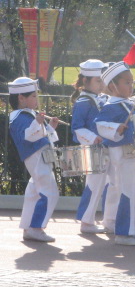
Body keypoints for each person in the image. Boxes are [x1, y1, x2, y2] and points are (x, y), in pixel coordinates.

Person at [95, 61, 135, 246]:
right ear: (113, 86)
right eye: (127, 83)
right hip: (121, 153)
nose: (131, 86)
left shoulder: (130, 104)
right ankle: (122, 232)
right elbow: (99, 125)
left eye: (132, 82)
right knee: (127, 190)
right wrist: (116, 128)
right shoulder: (110, 107)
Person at [8, 77, 60, 242]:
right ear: (21, 98)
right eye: (33, 96)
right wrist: (38, 123)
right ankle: (36, 228)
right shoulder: (20, 117)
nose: (36, 100)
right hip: (36, 157)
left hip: (38, 156)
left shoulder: (25, 115)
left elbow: (39, 134)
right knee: (49, 192)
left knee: (34, 193)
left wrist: (49, 126)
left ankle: (29, 228)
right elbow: (28, 137)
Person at [71, 59, 111, 234]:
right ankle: (86, 222)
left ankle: (108, 219)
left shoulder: (101, 98)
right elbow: (77, 128)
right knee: (94, 185)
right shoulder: (83, 101)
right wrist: (93, 138)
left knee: (107, 184)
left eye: (102, 80)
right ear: (85, 81)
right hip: (93, 149)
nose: (102, 84)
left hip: (104, 148)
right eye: (98, 81)